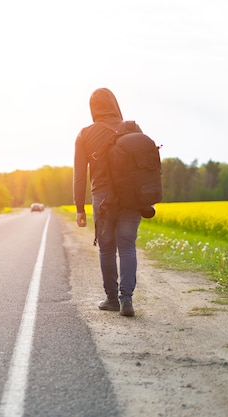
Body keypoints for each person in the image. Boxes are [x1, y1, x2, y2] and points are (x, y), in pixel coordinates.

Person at [73, 88, 142, 317]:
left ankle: (112, 299)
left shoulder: (85, 135)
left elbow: (80, 175)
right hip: (131, 196)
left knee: (107, 248)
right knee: (127, 246)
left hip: (102, 197)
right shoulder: (131, 127)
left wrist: (79, 208)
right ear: (114, 103)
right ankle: (127, 300)